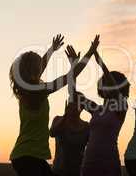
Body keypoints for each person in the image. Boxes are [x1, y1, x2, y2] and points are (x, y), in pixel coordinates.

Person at [9, 34, 98, 176]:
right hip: (30, 156)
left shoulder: (26, 92)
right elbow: (70, 76)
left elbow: (39, 67)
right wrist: (89, 54)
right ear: (34, 70)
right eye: (38, 66)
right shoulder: (39, 91)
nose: (41, 67)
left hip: (24, 155)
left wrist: (52, 50)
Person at [79, 35, 130, 176]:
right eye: (105, 83)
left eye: (108, 83)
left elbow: (114, 87)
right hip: (89, 160)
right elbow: (75, 94)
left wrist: (99, 60)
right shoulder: (97, 109)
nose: (106, 86)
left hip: (109, 161)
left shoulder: (121, 107)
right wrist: (74, 65)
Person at [50, 45, 90, 176]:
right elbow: (52, 132)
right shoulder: (58, 120)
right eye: (72, 102)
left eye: (77, 104)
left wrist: (75, 65)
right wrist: (73, 65)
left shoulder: (86, 127)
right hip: (58, 172)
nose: (73, 105)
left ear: (82, 108)